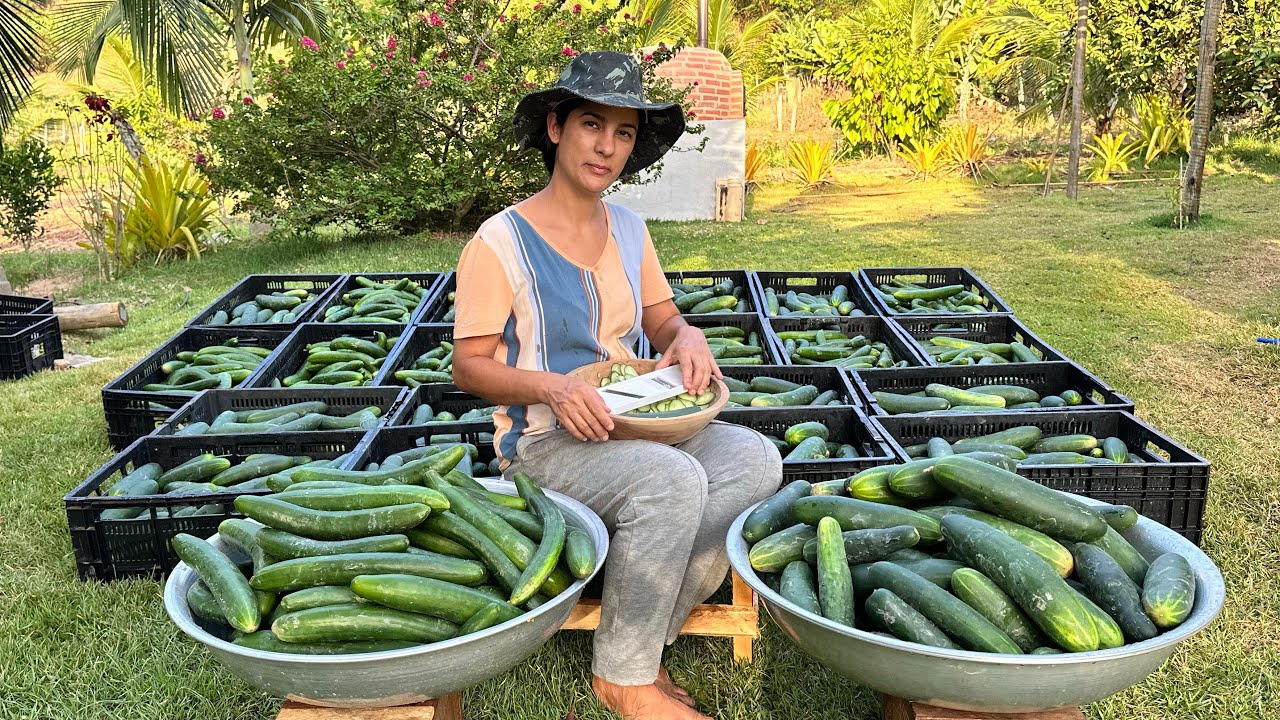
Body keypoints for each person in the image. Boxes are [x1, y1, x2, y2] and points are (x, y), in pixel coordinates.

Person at [450, 50, 783, 720]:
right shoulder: (499, 242)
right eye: (592, 125)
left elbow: (661, 319)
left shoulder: (629, 230)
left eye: (624, 133)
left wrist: (685, 339)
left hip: (638, 420)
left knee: (755, 458)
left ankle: (645, 633)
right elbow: (468, 366)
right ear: (556, 128)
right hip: (545, 446)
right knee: (670, 479)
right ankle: (622, 677)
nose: (607, 146)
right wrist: (550, 388)